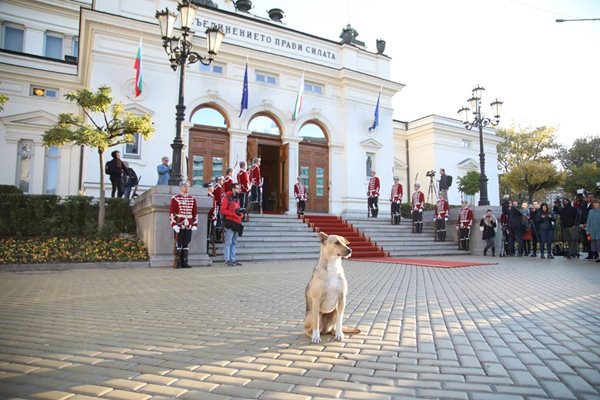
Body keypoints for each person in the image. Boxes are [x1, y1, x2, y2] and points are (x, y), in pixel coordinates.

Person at [169, 180, 197, 268]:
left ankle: (184, 263)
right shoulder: (175, 198)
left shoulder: (192, 199)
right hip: (179, 223)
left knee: (186, 243)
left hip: (188, 224)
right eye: (185, 186)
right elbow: (171, 213)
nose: (187, 188)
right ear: (181, 187)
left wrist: (194, 224)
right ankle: (178, 263)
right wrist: (174, 224)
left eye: (188, 186)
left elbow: (195, 213)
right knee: (178, 243)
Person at [221, 183, 245, 267]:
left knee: (234, 242)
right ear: (233, 189)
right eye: (237, 188)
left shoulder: (237, 198)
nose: (239, 190)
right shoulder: (227, 198)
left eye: (239, 188)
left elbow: (237, 209)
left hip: (236, 222)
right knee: (228, 242)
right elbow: (223, 210)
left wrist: (241, 214)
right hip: (230, 222)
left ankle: (233, 259)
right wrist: (233, 214)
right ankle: (227, 260)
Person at [580, 193, 597, 260]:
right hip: (584, 225)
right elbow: (581, 215)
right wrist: (581, 224)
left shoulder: (594, 206)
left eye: (591, 197)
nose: (589, 198)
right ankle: (589, 254)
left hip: (592, 225)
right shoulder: (584, 205)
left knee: (592, 240)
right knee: (587, 240)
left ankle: (595, 254)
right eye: (588, 197)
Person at [584, 198, 600, 263]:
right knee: (595, 245)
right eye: (594, 203)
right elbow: (588, 221)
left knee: (599, 244)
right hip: (592, 230)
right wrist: (587, 229)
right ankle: (599, 256)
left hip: (599, 230)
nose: (596, 204)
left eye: (597, 203)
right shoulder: (590, 211)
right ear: (593, 204)